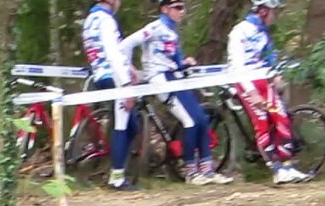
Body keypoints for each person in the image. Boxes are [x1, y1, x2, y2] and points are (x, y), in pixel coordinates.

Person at [122, 0, 233, 185]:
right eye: (178, 8)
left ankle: (207, 170)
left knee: (202, 120)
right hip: (161, 80)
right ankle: (191, 172)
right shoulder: (154, 27)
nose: (182, 11)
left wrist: (184, 62)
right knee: (189, 122)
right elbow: (126, 44)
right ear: (165, 9)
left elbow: (172, 57)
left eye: (183, 7)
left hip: (174, 77)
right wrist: (129, 70)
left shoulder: (171, 31)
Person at [226, 0, 312, 184]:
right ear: (263, 11)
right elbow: (237, 66)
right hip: (247, 83)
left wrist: (277, 76)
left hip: (264, 81)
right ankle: (277, 169)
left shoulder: (264, 32)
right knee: (262, 124)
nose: (276, 15)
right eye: (274, 11)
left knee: (281, 118)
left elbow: (270, 58)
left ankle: (288, 167)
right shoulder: (239, 31)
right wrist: (251, 92)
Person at [82, 0, 142, 191]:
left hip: (102, 75)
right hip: (114, 77)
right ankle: (117, 178)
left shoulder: (90, 19)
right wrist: (125, 84)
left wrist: (128, 66)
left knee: (131, 126)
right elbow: (112, 54)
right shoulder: (106, 20)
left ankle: (118, 171)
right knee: (121, 126)